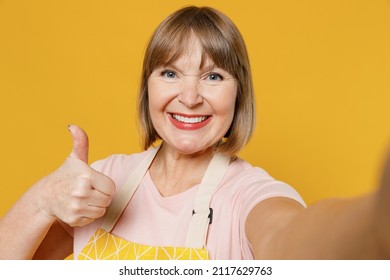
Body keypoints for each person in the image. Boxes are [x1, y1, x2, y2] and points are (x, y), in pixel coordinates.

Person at [0, 6, 389, 260]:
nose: (189, 97)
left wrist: (376, 221)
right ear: (148, 87)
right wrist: (42, 201)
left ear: (239, 95)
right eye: (170, 73)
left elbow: (294, 238)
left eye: (213, 76)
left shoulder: (247, 195)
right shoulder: (103, 181)